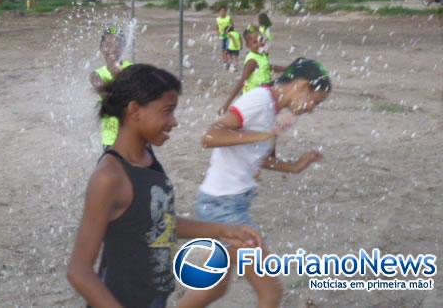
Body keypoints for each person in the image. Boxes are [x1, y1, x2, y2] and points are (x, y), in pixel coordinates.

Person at [68, 64, 262, 308]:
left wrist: (224, 230)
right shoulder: (109, 177)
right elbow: (79, 271)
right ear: (135, 110)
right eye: (167, 111)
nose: (174, 121)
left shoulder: (147, 158)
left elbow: (159, 221)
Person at [180, 58, 332, 308]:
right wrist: (264, 134)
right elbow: (210, 136)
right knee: (271, 292)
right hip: (223, 208)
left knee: (213, 289)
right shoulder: (259, 101)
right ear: (302, 86)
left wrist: (295, 166)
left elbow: (258, 159)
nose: (312, 109)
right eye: (315, 101)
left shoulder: (273, 110)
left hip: (224, 203)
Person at [218, 25, 286, 115]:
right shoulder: (252, 61)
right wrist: (226, 105)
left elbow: (268, 67)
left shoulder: (262, 55)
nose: (259, 44)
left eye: (260, 40)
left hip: (262, 96)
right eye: (254, 42)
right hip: (252, 99)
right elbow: (242, 82)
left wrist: (286, 68)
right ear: (248, 45)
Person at [90, 26, 133, 149]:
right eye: (107, 44)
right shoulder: (96, 75)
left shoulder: (132, 69)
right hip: (112, 139)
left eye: (118, 44)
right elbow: (111, 101)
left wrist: (120, 74)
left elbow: (137, 94)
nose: (112, 49)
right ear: (101, 48)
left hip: (135, 135)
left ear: (123, 48)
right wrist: (117, 76)